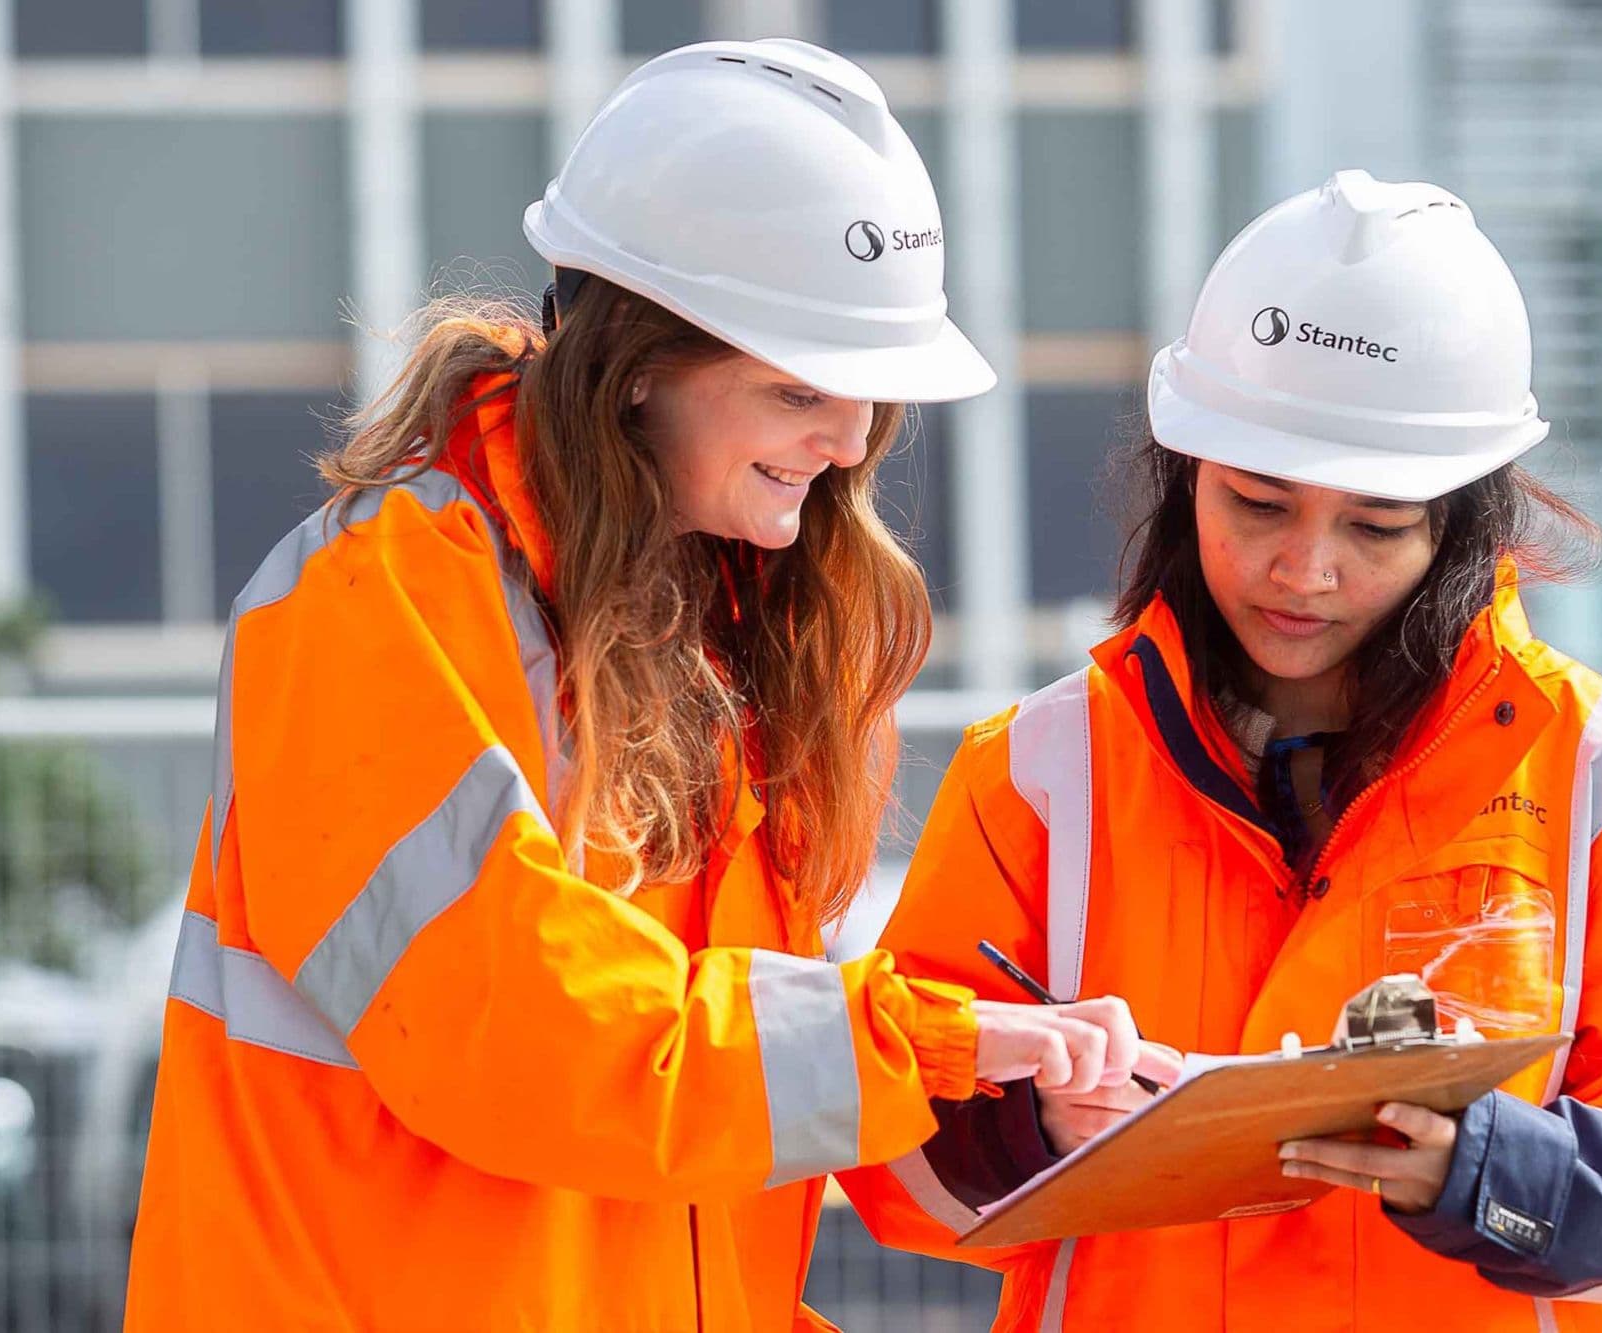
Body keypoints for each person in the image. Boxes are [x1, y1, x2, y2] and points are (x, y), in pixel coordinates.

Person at [124, 39, 1174, 1332]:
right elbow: (532, 1037)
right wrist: (922, 1041)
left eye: (868, 396)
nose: (849, 445)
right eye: (798, 389)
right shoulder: (376, 601)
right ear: (634, 367)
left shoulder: (739, 637)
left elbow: (709, 1137)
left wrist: (1012, 1093)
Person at [839, 171, 1602, 1331]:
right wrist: (1034, 1123)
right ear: (1183, 475)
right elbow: (891, 1154)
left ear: (1459, 524)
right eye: (1256, 503)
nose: (1305, 571)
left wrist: (1494, 1174)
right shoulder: (1042, 771)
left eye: (1373, 526)